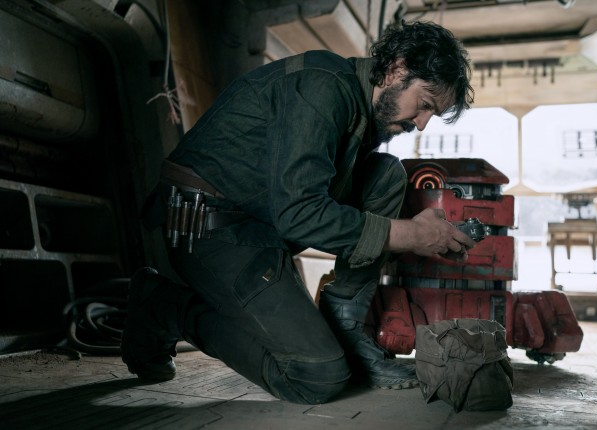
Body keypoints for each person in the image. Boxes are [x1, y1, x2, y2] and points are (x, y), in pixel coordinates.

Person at [121, 20, 476, 405]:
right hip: (210, 226)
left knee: (386, 174)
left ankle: (347, 327)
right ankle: (163, 307)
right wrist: (412, 235)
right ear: (397, 68)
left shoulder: (363, 114)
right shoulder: (323, 87)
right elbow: (300, 214)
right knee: (316, 375)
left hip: (261, 227)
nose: (421, 124)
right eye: (424, 104)